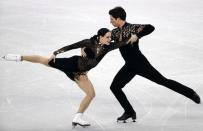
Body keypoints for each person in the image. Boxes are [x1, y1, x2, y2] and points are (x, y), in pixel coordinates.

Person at [2, 28, 137, 127]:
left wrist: (133, 37)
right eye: (107, 37)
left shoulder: (108, 47)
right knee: (44, 60)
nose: (110, 39)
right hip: (70, 64)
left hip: (80, 73)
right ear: (100, 37)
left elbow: (122, 43)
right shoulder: (88, 42)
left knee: (91, 94)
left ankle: (78, 117)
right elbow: (71, 46)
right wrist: (56, 52)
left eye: (110, 37)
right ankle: (17, 57)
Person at [108, 6, 201, 123]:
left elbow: (150, 27)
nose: (110, 21)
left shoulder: (132, 28)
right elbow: (101, 38)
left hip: (141, 64)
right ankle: (129, 112)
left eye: (112, 19)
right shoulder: (114, 32)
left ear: (118, 18)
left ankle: (190, 93)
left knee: (163, 81)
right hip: (129, 66)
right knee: (115, 87)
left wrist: (137, 35)